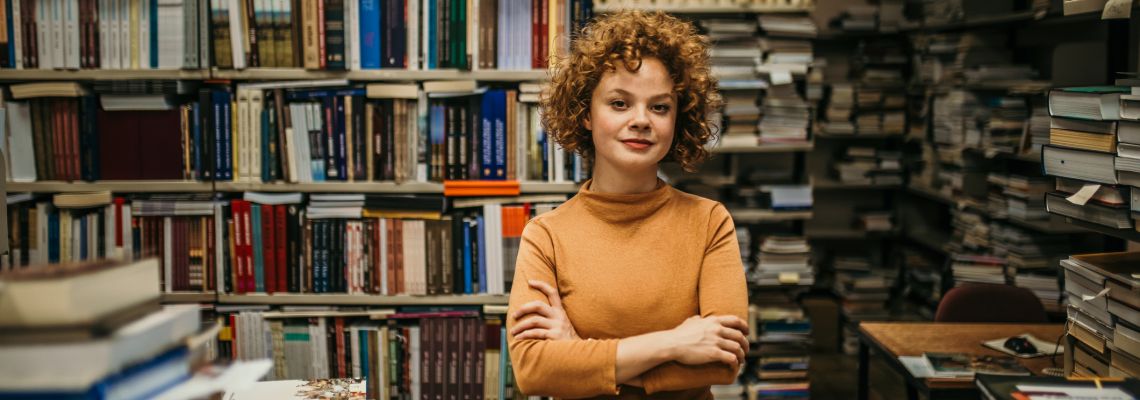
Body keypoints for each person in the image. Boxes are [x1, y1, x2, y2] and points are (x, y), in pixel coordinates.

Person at [505, 9, 750, 399]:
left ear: (678, 118)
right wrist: (674, 344)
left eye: (659, 106)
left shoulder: (709, 222)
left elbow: (722, 362)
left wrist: (579, 353)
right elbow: (534, 370)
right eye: (620, 103)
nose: (641, 120)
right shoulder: (546, 234)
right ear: (586, 114)